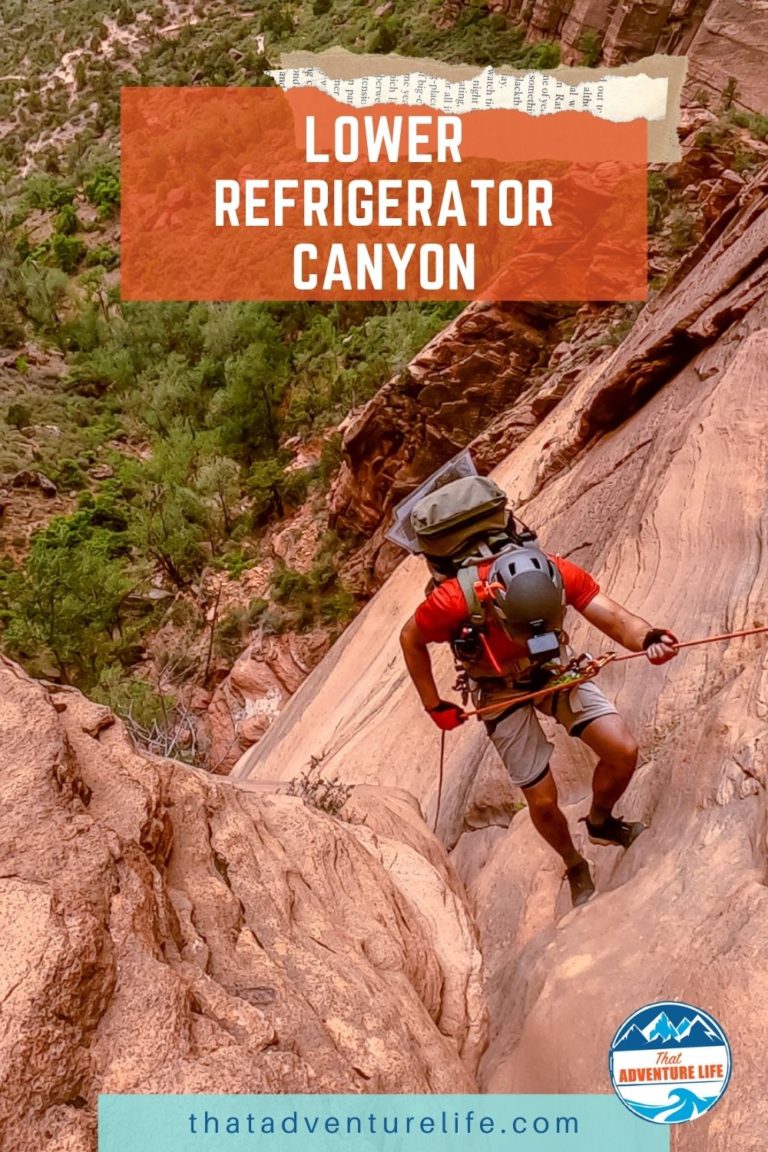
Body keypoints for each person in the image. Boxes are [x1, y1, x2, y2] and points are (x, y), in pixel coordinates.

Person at [400, 545, 678, 907]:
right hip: (496, 687)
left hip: (553, 670)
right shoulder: (452, 600)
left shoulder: (559, 573)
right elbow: (411, 638)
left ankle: (600, 822)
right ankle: (574, 863)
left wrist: (649, 638)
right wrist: (433, 704)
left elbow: (612, 615)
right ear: (497, 609)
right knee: (543, 801)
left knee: (622, 750)